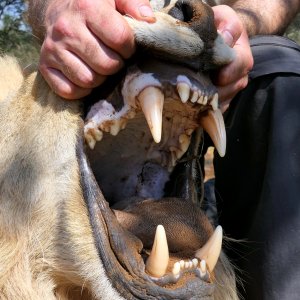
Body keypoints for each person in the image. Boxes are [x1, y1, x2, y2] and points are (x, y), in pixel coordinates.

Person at [28, 0, 300, 299]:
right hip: (89, 52)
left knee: (280, 72)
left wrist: (233, 29)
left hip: (214, 73)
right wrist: (57, 7)